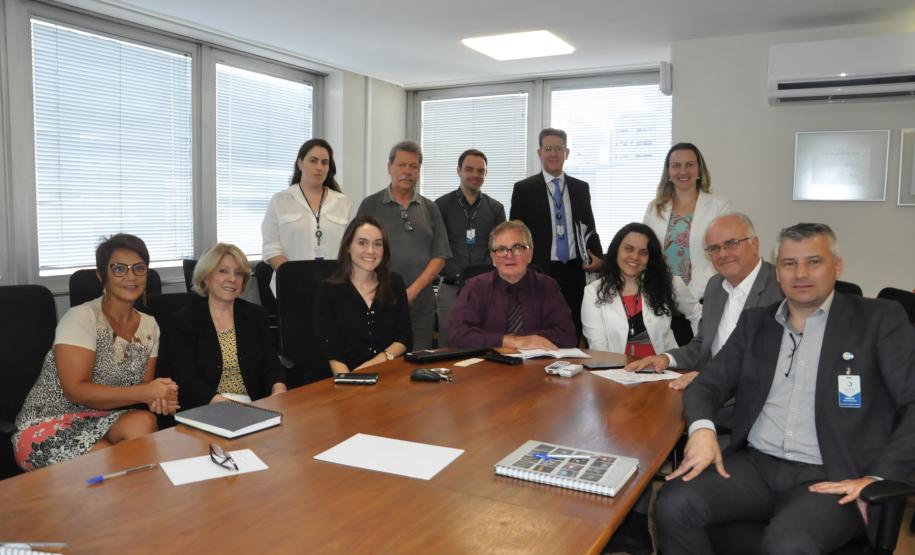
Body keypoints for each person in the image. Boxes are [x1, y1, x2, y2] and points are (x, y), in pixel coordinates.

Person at [655, 223, 915, 554]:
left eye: (814, 262)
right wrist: (702, 430)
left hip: (831, 474)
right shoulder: (755, 324)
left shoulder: (879, 320)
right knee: (673, 503)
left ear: (837, 266)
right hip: (757, 465)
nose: (800, 273)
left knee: (789, 545)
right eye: (789, 264)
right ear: (777, 272)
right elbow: (706, 384)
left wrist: (878, 477)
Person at [12, 234, 178, 471]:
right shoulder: (81, 318)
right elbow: (76, 391)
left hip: (102, 419)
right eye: (119, 269)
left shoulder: (150, 325)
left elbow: (142, 389)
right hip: (50, 422)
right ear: (102, 276)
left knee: (143, 422)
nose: (130, 276)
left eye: (139, 268)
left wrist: (162, 396)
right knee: (114, 465)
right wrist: (146, 392)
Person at [625, 213, 783, 391]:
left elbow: (776, 359)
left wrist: (712, 377)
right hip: (708, 389)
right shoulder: (715, 286)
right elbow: (702, 344)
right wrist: (666, 359)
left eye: (731, 243)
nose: (722, 254)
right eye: (714, 248)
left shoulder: (781, 287)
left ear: (754, 244)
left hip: (753, 395)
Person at [166, 243, 287, 409]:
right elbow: (187, 381)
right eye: (223, 271)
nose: (232, 279)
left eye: (238, 273)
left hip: (255, 405)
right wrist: (230, 406)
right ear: (206, 276)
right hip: (207, 408)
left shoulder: (255, 315)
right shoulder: (184, 321)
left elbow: (272, 367)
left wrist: (278, 388)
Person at [356, 141, 451, 350]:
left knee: (419, 362)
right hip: (379, 300)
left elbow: (440, 255)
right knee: (383, 365)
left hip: (421, 303)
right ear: (389, 167)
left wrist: (412, 291)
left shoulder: (430, 208)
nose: (407, 171)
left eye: (413, 166)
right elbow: (358, 252)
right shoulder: (370, 205)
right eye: (401, 165)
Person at [510, 128, 602, 339]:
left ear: (566, 153)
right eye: (548, 149)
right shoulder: (524, 189)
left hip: (574, 272)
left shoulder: (581, 188)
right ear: (539, 153)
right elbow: (516, 234)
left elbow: (589, 227)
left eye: (558, 149)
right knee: (538, 329)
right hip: (539, 271)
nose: (553, 154)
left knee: (573, 330)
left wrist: (598, 258)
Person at [448, 220, 577, 349]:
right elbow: (457, 335)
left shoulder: (547, 286)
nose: (509, 255)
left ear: (530, 254)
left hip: (536, 366)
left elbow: (568, 336)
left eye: (517, 248)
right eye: (501, 249)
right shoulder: (475, 287)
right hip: (488, 366)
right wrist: (509, 341)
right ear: (492, 257)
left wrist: (527, 339)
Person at [581, 223, 700, 357]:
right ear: (616, 251)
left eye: (643, 252)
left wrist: (699, 350)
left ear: (650, 258)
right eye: (628, 249)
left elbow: (697, 313)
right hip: (615, 373)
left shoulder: (670, 284)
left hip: (665, 372)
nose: (635, 257)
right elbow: (598, 348)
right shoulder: (593, 292)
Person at [315, 216, 412, 374]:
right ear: (348, 246)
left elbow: (404, 337)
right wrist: (348, 381)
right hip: (344, 378)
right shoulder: (329, 290)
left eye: (378, 244)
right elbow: (331, 348)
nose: (371, 251)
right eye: (362, 243)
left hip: (389, 374)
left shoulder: (395, 283)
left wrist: (378, 362)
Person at [435, 149, 506, 347]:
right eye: (469, 169)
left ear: (486, 173)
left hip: (487, 290)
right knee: (448, 344)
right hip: (451, 289)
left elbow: (500, 250)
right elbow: (437, 247)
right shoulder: (441, 206)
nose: (475, 175)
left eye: (480, 171)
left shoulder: (496, 209)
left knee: (486, 344)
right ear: (458, 170)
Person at [262, 138, 353, 292]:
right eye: (313, 161)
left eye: (324, 162)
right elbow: (271, 246)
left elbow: (352, 246)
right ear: (300, 164)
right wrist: (294, 275)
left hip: (336, 286)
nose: (319, 167)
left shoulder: (343, 202)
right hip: (292, 285)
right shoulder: (281, 200)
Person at [643, 143, 731, 300]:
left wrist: (690, 295)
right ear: (668, 172)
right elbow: (645, 251)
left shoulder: (719, 206)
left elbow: (722, 255)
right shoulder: (654, 208)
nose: (683, 171)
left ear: (699, 170)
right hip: (661, 295)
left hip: (705, 295)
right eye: (676, 165)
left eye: (689, 165)